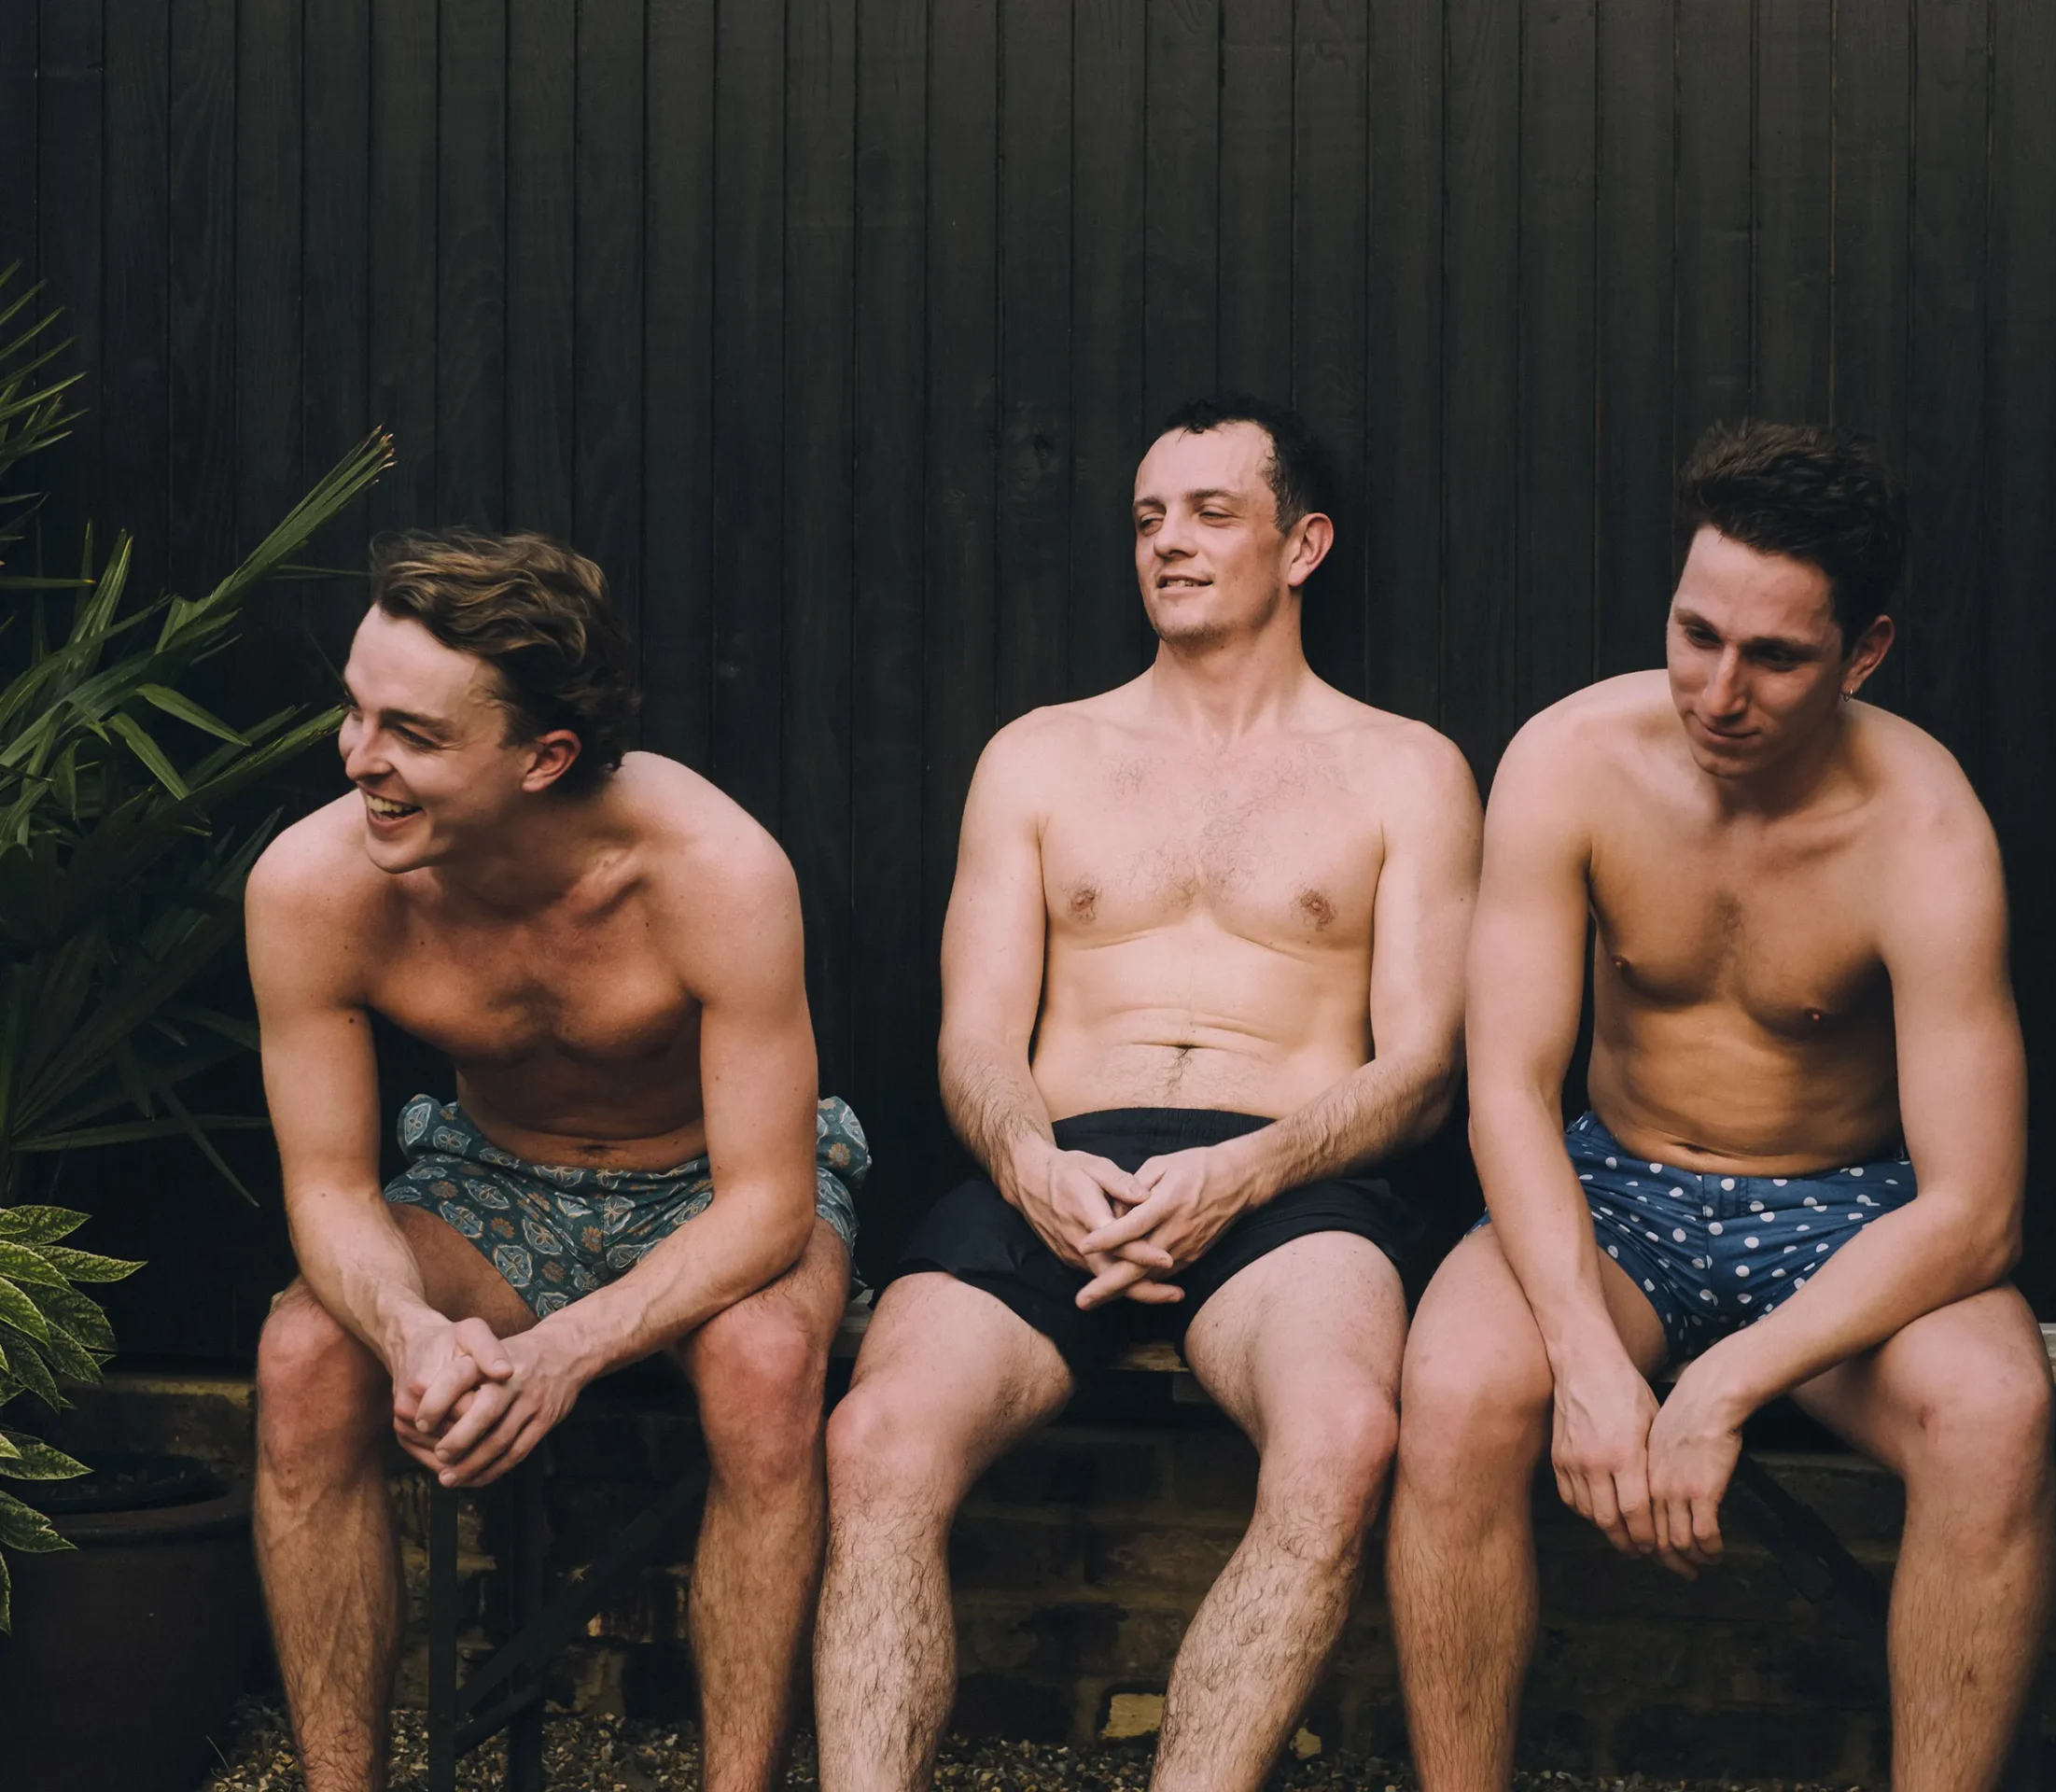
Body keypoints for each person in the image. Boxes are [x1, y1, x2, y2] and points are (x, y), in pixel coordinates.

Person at [811, 398, 1482, 1791]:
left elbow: (1421, 1069)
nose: (1169, 543)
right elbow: (977, 1036)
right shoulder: (1040, 755)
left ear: (1304, 545)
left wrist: (1246, 1171)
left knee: (1345, 1435)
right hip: (1059, 1168)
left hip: (1293, 1177)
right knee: (875, 1440)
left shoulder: (1406, 770)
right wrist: (1031, 1164)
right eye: (1148, 517)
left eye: (1209, 513)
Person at [1389, 422, 2053, 1791]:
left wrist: (1720, 1389)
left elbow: (1977, 1212)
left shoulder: (1926, 833)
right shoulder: (1570, 761)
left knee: (1995, 1413)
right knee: (1457, 1390)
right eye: (1697, 634)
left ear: (1863, 653)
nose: (1719, 689)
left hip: (1846, 1212)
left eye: (1776, 656)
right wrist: (1583, 1358)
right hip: (1619, 1187)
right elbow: (1505, 1089)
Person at [246, 533, 866, 1792]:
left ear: (545, 757)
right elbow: (329, 1189)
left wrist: (562, 1353)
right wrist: (413, 1333)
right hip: (489, 1179)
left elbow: (768, 1202)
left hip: (708, 1184)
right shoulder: (315, 886)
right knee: (306, 1359)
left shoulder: (715, 873)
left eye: (411, 734)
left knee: (766, 1365)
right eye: (356, 712)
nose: (361, 759)